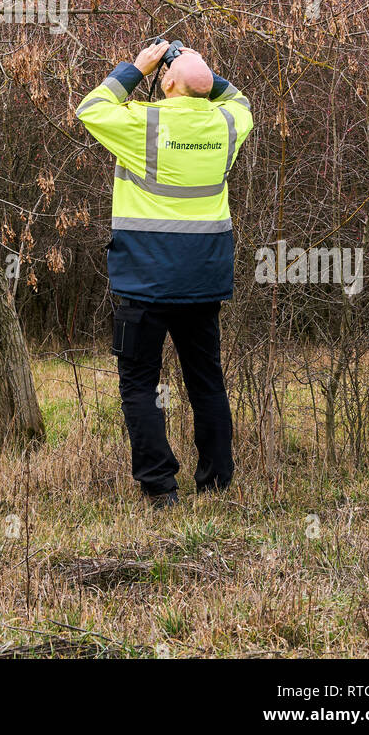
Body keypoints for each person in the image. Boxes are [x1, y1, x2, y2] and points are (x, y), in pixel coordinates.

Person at [76, 39, 253, 507]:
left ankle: (159, 488)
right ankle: (215, 483)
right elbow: (239, 100)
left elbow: (91, 108)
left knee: (139, 384)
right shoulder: (226, 124)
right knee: (206, 382)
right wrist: (201, 72)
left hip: (143, 280)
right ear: (207, 87)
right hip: (202, 281)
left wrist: (140, 65)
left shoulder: (145, 121)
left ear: (167, 83)